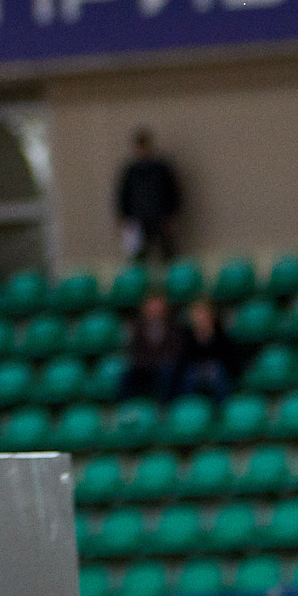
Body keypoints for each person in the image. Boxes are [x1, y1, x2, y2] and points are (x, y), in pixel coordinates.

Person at [115, 130, 183, 263]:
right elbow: (124, 195)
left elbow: (172, 192)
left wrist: (172, 214)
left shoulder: (161, 169)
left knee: (167, 252)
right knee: (139, 255)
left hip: (160, 216)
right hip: (139, 219)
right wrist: (125, 217)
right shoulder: (131, 172)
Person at [119, 292, 187, 403]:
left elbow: (175, 350)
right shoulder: (136, 327)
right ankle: (124, 406)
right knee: (128, 374)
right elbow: (135, 351)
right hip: (143, 366)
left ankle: (166, 406)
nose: (155, 309)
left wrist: (159, 361)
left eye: (158, 305)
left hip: (164, 366)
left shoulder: (174, 327)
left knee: (170, 373)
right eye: (151, 305)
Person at [177, 299, 242, 400]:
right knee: (189, 374)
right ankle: (188, 404)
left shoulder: (221, 335)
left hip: (217, 373)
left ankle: (225, 404)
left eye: (203, 313)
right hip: (195, 373)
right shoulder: (186, 337)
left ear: (211, 315)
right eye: (197, 314)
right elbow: (183, 362)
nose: (200, 317)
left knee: (218, 372)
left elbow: (230, 361)